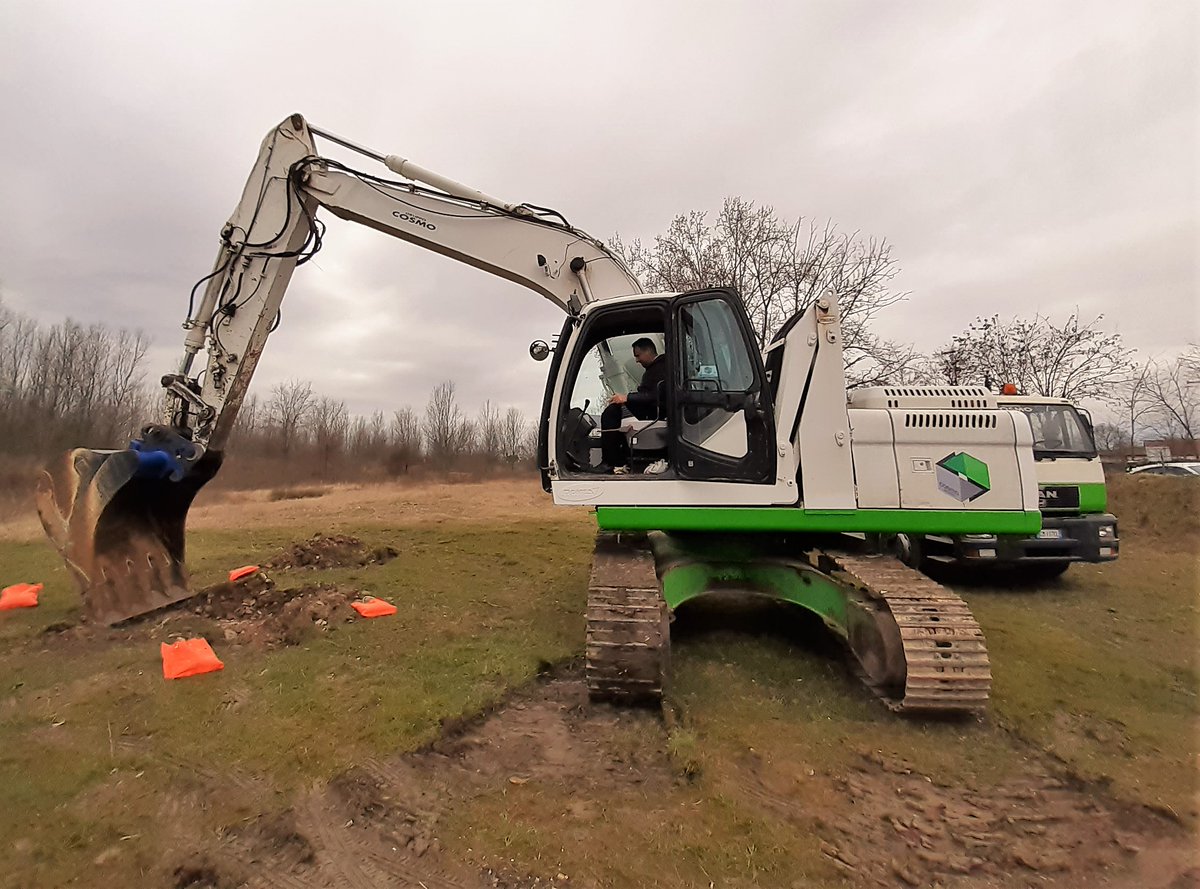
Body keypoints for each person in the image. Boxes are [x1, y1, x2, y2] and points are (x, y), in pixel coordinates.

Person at [599, 337, 667, 473]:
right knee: (616, 411)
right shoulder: (656, 369)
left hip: (657, 412)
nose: (636, 360)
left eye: (638, 355)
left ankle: (612, 462)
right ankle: (620, 458)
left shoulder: (660, 369)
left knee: (612, 412)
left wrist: (626, 398)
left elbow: (654, 396)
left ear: (648, 351)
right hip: (654, 409)